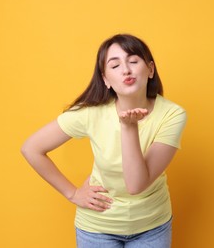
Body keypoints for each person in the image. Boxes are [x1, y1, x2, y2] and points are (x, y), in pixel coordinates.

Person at [21, 34, 187, 248]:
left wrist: (128, 126)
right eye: (115, 65)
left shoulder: (172, 115)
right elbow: (31, 148)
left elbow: (136, 185)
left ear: (151, 69)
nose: (126, 70)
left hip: (152, 226)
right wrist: (72, 193)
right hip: (97, 228)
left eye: (134, 61)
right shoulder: (91, 113)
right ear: (106, 79)